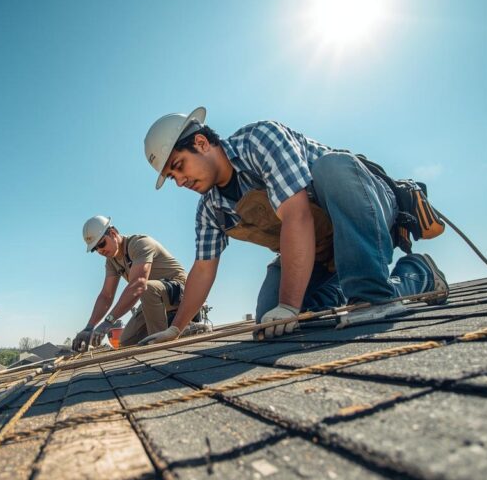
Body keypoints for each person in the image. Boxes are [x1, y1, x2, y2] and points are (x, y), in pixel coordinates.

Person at [139, 107, 448, 344]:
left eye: (178, 167)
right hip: (322, 253)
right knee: (270, 320)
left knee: (334, 165)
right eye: (171, 178)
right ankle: (348, 294)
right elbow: (203, 269)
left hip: (368, 212)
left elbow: (297, 215)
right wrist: (175, 329)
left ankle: (413, 274)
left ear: (202, 142)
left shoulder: (260, 140)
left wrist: (289, 304)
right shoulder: (210, 210)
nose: (180, 181)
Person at [71, 216, 194, 351]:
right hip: (155, 299)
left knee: (146, 288)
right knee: (127, 342)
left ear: (113, 233)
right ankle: (182, 330)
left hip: (183, 294)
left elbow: (138, 285)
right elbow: (106, 295)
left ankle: (162, 348)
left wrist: (108, 321)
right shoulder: (111, 261)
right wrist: (89, 327)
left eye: (101, 244)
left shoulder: (140, 243)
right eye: (95, 249)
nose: (100, 251)